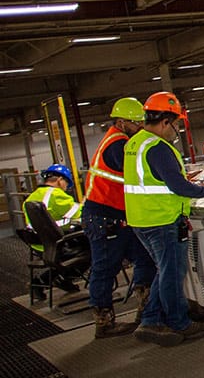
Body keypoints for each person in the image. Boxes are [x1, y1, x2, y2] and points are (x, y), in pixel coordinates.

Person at [123, 91, 204, 347]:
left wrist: (177, 179)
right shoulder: (158, 147)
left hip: (141, 220)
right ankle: (179, 323)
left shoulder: (135, 143)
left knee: (164, 271)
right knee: (172, 273)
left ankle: (151, 319)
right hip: (162, 220)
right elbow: (178, 187)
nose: (174, 131)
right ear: (166, 121)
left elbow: (154, 180)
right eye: (175, 125)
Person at [83, 97, 157, 339]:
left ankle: (147, 311)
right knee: (105, 269)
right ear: (123, 122)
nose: (141, 128)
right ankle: (104, 323)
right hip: (105, 218)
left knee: (144, 258)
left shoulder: (119, 141)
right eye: (137, 124)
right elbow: (137, 173)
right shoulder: (118, 144)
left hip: (118, 217)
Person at [23, 163, 85, 294]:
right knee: (91, 249)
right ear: (59, 180)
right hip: (57, 245)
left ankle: (43, 282)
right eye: (67, 183)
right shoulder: (56, 195)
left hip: (39, 245)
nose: (66, 187)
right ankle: (61, 278)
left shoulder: (31, 197)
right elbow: (81, 214)